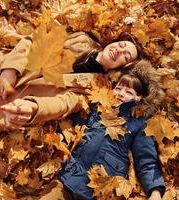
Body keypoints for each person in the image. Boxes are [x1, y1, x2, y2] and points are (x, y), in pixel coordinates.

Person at [0, 30, 143, 140]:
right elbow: (33, 41)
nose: (119, 50)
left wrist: (34, 108)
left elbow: (65, 103)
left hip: (3, 105)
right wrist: (10, 69)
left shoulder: (97, 88)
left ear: (123, 66)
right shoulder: (82, 39)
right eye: (122, 44)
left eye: (125, 55)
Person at [38, 72, 165, 200]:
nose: (121, 93)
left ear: (139, 98)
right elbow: (70, 127)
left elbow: (146, 160)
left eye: (129, 92)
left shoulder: (138, 124)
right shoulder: (96, 108)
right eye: (119, 88)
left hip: (99, 192)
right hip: (68, 178)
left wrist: (155, 191)